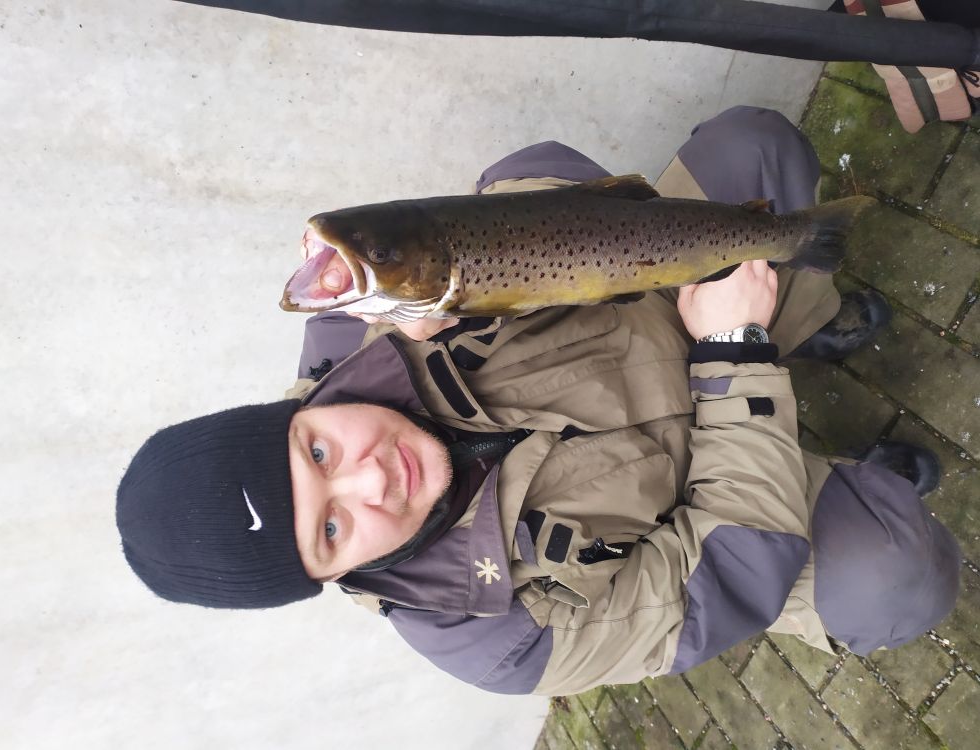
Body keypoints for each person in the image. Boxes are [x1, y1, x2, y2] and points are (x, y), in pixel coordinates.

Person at [116, 107, 960, 695]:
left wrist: (484, 275)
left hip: (676, 311)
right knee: (897, 575)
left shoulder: (360, 319)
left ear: (294, 412)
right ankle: (827, 443)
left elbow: (536, 165)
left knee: (758, 145)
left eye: (317, 453)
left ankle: (799, 324)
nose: (371, 479)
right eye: (330, 529)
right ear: (330, 576)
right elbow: (731, 576)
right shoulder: (497, 642)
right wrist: (736, 352)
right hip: (727, 499)